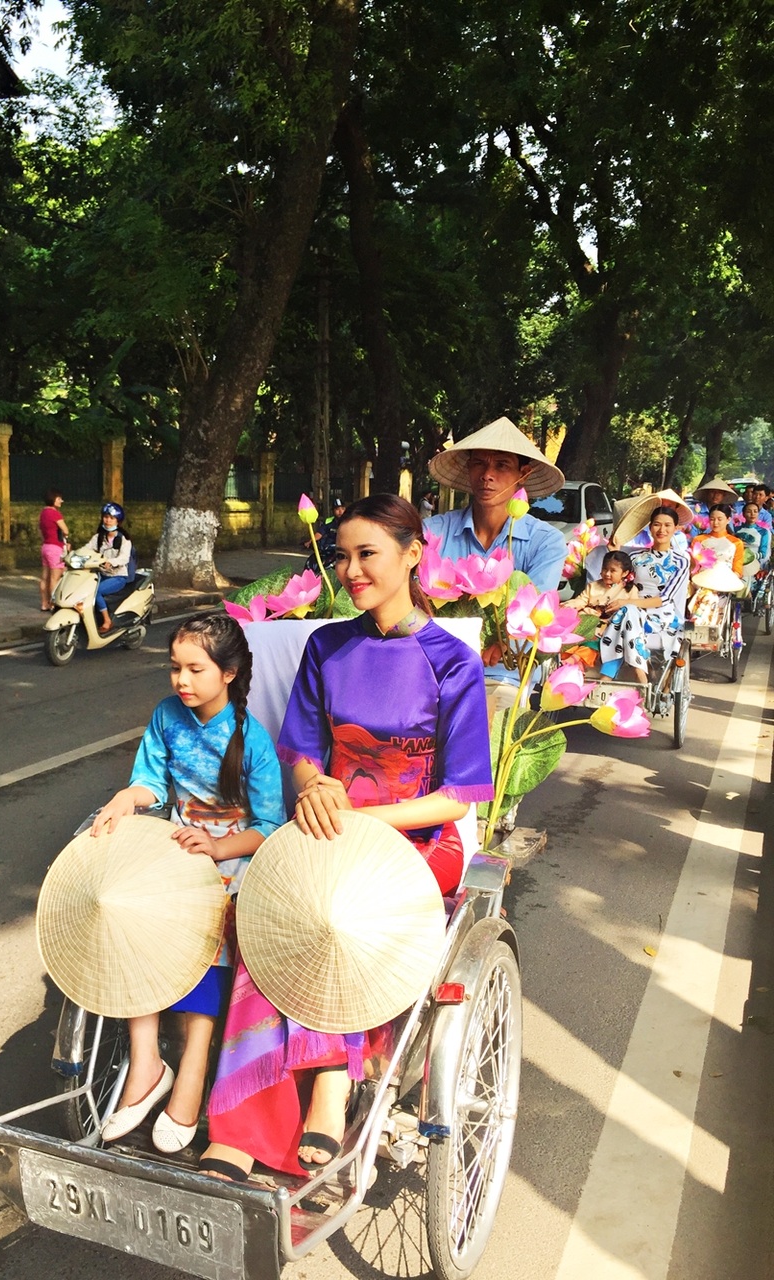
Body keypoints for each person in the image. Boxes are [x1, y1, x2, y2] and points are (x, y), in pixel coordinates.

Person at [201, 494, 493, 1182]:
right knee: (268, 910)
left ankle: (329, 1087)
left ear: (413, 553)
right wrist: (316, 786)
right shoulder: (327, 645)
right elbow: (300, 748)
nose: (352, 569)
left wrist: (360, 819)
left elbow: (457, 795)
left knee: (337, 913)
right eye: (342, 555)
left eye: (369, 554)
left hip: (415, 835)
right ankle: (244, 1120)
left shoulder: (451, 661)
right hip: (328, 824)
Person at [89, 613, 284, 1152]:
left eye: (195, 669)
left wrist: (219, 847)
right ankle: (147, 1061)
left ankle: (193, 1067)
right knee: (135, 919)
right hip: (176, 845)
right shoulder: (166, 717)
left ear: (229, 673)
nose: (181, 680)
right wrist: (127, 798)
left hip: (232, 858)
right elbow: (151, 781)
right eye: (175, 668)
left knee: (212, 933)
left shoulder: (252, 740)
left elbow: (268, 826)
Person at [423, 416, 567, 692]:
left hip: (502, 676)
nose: (487, 474)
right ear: (468, 469)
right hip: (432, 672)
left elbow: (533, 615)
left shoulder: (546, 542)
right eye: (479, 463)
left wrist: (503, 644)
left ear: (523, 474)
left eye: (502, 465)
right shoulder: (432, 532)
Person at [594, 507, 690, 682]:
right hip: (631, 611)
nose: (662, 530)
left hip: (661, 615)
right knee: (628, 614)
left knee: (627, 613)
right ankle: (640, 674)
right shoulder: (636, 556)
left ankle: (610, 676)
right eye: (657, 525)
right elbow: (620, 576)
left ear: (676, 528)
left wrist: (626, 604)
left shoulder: (681, 560)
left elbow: (665, 598)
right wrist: (613, 552)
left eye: (668, 525)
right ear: (650, 527)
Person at [77, 502, 135, 633]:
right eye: (106, 517)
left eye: (111, 518)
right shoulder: (98, 537)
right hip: (101, 574)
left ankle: (107, 620)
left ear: (118, 521)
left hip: (118, 576)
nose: (108, 520)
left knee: (95, 592)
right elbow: (86, 549)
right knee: (82, 589)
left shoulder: (124, 539)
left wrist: (111, 562)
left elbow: (124, 558)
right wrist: (73, 555)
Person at [688, 504, 746, 627]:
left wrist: (728, 580)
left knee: (710, 596)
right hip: (701, 581)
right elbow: (693, 566)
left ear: (728, 520)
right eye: (712, 519)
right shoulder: (699, 540)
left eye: (720, 519)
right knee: (705, 594)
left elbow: (737, 569)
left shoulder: (736, 543)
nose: (715, 523)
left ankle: (703, 624)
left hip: (725, 582)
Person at [39, 489, 69, 611]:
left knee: (45, 577)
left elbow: (40, 530)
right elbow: (65, 530)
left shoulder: (43, 513)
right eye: (58, 499)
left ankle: (44, 603)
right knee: (55, 577)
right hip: (55, 547)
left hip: (46, 546)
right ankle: (53, 604)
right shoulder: (55, 514)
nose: (61, 501)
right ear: (53, 499)